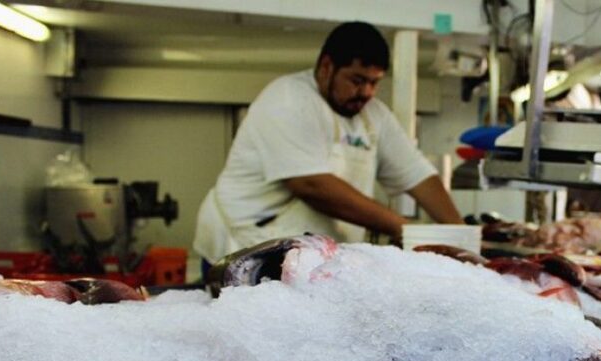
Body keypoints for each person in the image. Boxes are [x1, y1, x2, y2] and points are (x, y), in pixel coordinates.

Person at [193, 21, 462, 267]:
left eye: (374, 83)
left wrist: (461, 238)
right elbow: (311, 185)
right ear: (326, 67)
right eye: (357, 80)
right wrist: (405, 229)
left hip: (303, 258)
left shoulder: (374, 116)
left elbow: (418, 174)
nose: (366, 92)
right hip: (242, 248)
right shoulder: (288, 99)